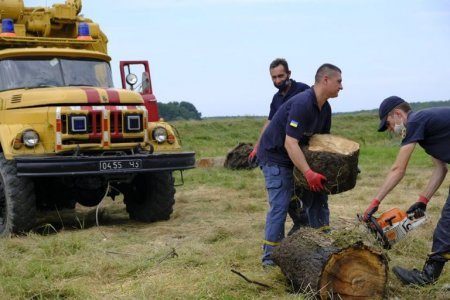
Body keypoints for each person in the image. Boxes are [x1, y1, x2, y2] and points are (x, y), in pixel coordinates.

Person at [257, 63, 343, 267]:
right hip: (275, 157)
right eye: (339, 81)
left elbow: (320, 142)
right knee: (280, 205)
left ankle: (323, 248)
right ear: (325, 80)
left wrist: (339, 166)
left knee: (318, 198)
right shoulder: (302, 103)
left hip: (296, 156)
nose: (342, 86)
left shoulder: (325, 108)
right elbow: (290, 142)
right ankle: (270, 259)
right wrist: (308, 172)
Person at [362, 96, 450, 285]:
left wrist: (375, 203)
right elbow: (441, 168)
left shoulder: (416, 121)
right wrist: (423, 201)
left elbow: (398, 169)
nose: (391, 130)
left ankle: (427, 277)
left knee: (447, 224)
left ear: (398, 114)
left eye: (389, 124)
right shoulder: (427, 126)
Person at [249, 58, 310, 235]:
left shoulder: (303, 91)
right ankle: (274, 251)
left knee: (300, 194)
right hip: (279, 155)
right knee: (283, 199)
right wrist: (257, 146)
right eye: (273, 78)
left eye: (280, 76)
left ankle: (303, 225)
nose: (277, 81)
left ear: (289, 74)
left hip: (297, 151)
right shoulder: (276, 98)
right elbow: (269, 122)